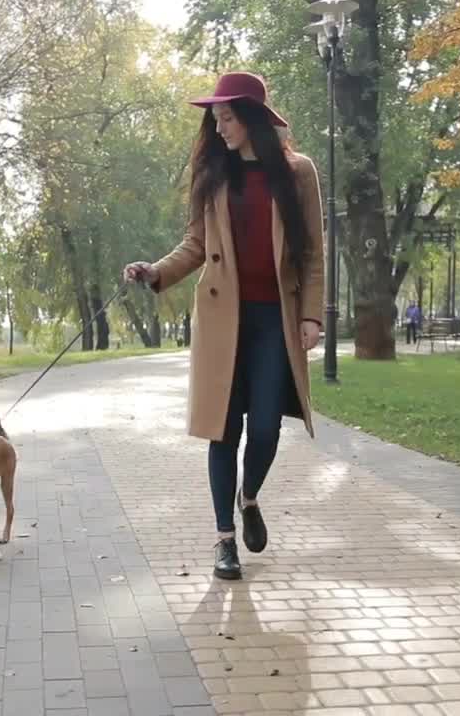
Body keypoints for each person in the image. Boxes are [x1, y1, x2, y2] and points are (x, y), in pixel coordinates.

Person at [121, 72, 325, 581]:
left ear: (252, 118)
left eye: (228, 118)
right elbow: (194, 244)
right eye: (216, 120)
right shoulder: (213, 175)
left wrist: (311, 315)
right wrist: (155, 271)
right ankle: (224, 540)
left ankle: (249, 496)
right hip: (222, 320)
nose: (220, 128)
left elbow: (313, 254)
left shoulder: (298, 173)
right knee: (223, 431)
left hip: (275, 319)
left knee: (266, 428)